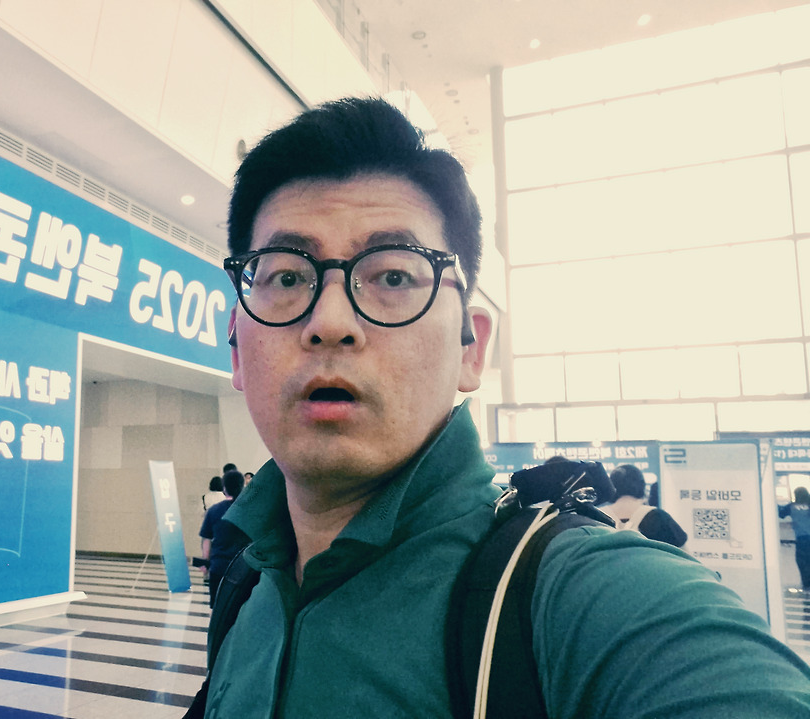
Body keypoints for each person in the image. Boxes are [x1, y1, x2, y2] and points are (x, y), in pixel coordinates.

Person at [200, 97, 810, 716]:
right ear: (237, 351)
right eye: (286, 277)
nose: (330, 322)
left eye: (393, 277)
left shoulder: (582, 600)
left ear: (472, 347)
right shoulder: (246, 584)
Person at [604, 464, 687, 547]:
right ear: (642, 485)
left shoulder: (600, 516)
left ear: (610, 487)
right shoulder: (658, 516)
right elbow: (683, 551)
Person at [199, 470, 248, 606]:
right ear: (242, 485)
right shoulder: (250, 510)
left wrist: (205, 561)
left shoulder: (214, 510)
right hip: (245, 569)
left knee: (217, 606)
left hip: (219, 566)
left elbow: (207, 539)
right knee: (241, 607)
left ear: (225, 488)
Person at [780, 486, 810, 591]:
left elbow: (780, 513)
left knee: (803, 564)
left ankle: (807, 586)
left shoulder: (792, 507)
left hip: (802, 540)